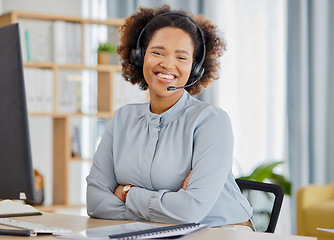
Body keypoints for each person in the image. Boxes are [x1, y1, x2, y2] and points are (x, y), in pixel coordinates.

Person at [86, 4, 254, 230]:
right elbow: (95, 202)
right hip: (156, 232)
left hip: (222, 232)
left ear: (195, 69)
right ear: (139, 56)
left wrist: (126, 194)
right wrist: (168, 207)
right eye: (157, 52)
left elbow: (190, 211)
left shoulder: (212, 122)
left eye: (181, 57)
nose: (167, 64)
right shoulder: (122, 119)